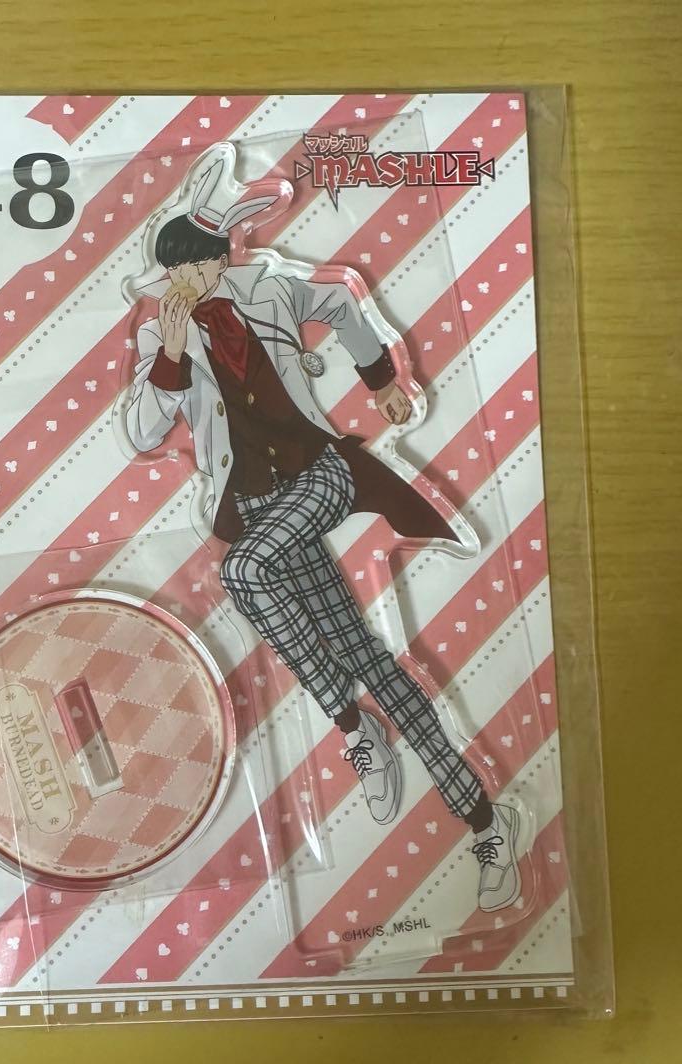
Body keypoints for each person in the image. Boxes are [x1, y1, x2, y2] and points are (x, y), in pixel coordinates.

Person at [124, 148, 521, 912]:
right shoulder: (162, 336)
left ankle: (347, 719)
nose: (186, 282)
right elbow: (143, 432)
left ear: (218, 259)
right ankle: (482, 820)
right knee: (371, 657)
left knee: (242, 571)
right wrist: (170, 354)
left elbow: (338, 302)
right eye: (175, 272)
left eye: (196, 266)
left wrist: (382, 381)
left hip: (321, 473)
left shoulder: (267, 288)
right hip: (257, 503)